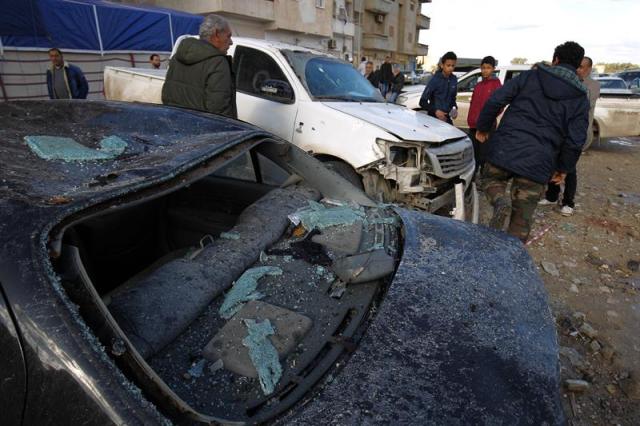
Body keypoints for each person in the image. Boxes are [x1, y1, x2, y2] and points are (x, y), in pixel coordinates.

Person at [475, 41, 589, 242]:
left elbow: (495, 100)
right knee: (522, 218)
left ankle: (500, 200)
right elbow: (575, 140)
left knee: (489, 179)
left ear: (556, 59)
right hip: (539, 163)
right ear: (578, 65)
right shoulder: (580, 98)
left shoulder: (530, 77)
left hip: (504, 149)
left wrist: (483, 127)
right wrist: (563, 168)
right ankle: (513, 264)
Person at [539, 56, 600, 216]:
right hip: (561, 132)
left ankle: (568, 202)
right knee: (553, 163)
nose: (577, 70)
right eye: (577, 67)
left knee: (569, 168)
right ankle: (552, 196)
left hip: (578, 135)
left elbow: (583, 102)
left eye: (581, 67)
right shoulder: (571, 82)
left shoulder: (592, 86)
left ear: (588, 69)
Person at [162, 14, 237, 119]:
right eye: (228, 36)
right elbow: (219, 112)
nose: (231, 42)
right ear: (216, 34)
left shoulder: (176, 57)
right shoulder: (218, 63)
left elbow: (167, 95)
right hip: (203, 131)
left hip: (175, 125)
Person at [467, 56, 502, 173]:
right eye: (483, 68)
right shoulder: (478, 86)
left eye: (488, 68)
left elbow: (499, 107)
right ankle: (471, 178)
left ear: (493, 69)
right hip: (473, 126)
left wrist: (487, 124)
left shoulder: (496, 85)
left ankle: (483, 178)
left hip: (486, 126)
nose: (485, 70)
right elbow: (473, 105)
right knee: (473, 154)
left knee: (484, 155)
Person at [419, 51, 458, 124]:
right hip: (434, 119)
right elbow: (422, 102)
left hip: (447, 119)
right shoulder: (435, 80)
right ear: (442, 65)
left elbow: (453, 99)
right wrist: (436, 111)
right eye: (448, 65)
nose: (451, 68)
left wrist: (454, 109)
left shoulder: (454, 79)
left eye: (453, 66)